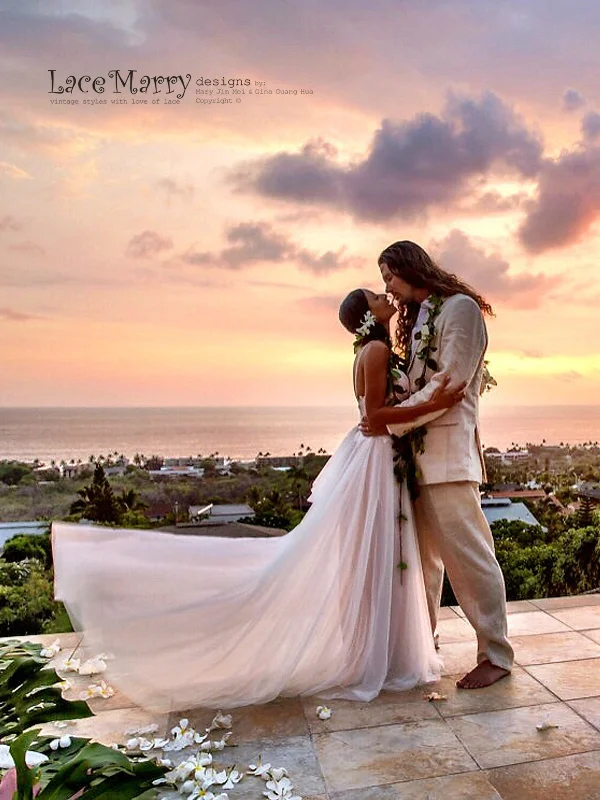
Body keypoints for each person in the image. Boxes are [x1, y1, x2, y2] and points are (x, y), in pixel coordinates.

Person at [52, 288, 463, 713]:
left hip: (372, 457)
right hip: (376, 457)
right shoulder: (376, 350)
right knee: (378, 553)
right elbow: (373, 418)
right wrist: (435, 402)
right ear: (367, 316)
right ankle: (383, 656)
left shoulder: (367, 350)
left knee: (377, 555)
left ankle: (382, 651)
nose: (384, 296)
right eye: (376, 296)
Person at [362, 240, 514, 689]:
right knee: (423, 563)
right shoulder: (421, 316)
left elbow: (450, 384)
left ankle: (496, 653)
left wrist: (394, 422)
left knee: (470, 558)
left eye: (389, 275)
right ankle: (421, 645)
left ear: (411, 267)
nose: (387, 286)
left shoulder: (461, 309)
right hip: (415, 461)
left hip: (449, 457)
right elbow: (417, 384)